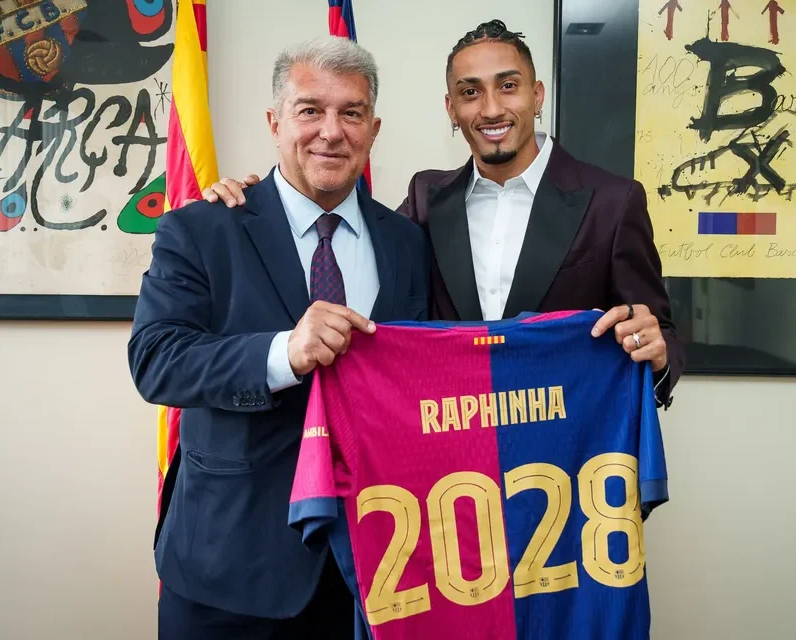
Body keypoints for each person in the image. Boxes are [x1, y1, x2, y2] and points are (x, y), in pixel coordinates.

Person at [203, 20, 684, 406]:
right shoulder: (427, 198)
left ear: (537, 95)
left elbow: (660, 332)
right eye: (470, 92)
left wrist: (658, 355)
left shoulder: (613, 200)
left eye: (508, 86)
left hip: (567, 453)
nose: (490, 109)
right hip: (451, 464)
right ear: (451, 109)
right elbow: (350, 227)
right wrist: (261, 197)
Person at [128, 37, 429, 640]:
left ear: (373, 130)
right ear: (275, 122)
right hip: (228, 569)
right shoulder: (203, 228)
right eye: (309, 110)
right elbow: (156, 360)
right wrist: (282, 354)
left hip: (371, 573)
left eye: (351, 113)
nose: (331, 132)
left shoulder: (408, 242)